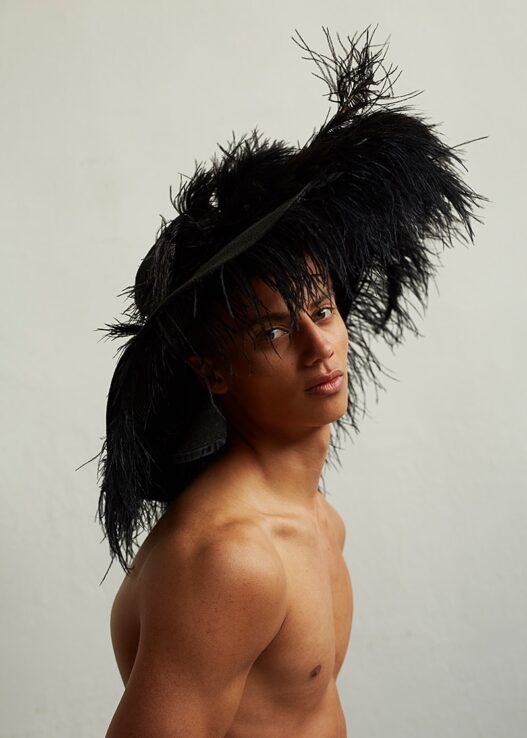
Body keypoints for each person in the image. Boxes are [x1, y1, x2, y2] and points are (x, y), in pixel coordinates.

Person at [94, 25, 485, 738]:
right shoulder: (230, 560)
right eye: (272, 332)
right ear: (212, 368)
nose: (318, 345)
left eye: (321, 311)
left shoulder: (316, 521)